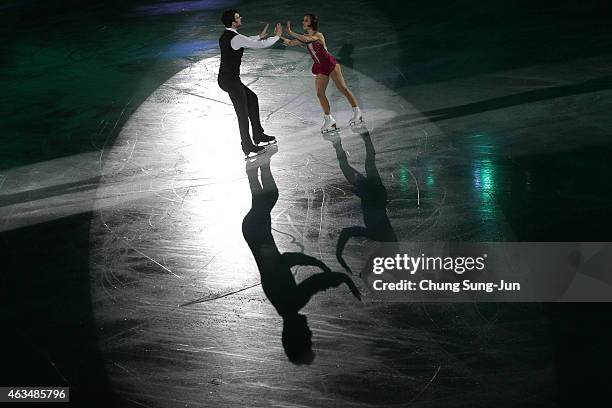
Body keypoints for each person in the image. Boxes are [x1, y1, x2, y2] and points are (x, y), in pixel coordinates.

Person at [283, 14, 364, 133]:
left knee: (343, 88)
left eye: (306, 21)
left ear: (312, 23)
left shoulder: (318, 35)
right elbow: (291, 43)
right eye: (303, 20)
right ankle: (329, 120)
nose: (303, 22)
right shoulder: (304, 37)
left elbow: (307, 40)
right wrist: (279, 36)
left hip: (330, 65)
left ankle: (357, 112)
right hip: (320, 67)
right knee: (320, 94)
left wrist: (290, 31)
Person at [218, 10, 282, 159]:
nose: (241, 18)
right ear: (233, 22)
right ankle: (246, 145)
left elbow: (245, 40)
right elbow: (258, 45)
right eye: (238, 17)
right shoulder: (236, 38)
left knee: (252, 99)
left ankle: (258, 134)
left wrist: (259, 36)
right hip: (230, 80)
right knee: (242, 113)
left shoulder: (226, 35)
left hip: (228, 79)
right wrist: (277, 36)